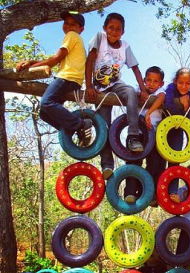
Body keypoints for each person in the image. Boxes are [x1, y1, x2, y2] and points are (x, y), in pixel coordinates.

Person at [85, 12, 147, 179]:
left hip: (116, 85)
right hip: (99, 88)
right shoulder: (99, 38)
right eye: (111, 28)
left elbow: (135, 68)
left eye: (118, 29)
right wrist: (89, 86)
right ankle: (107, 165)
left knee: (131, 93)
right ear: (105, 28)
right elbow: (89, 61)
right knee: (104, 125)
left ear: (123, 32)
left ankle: (133, 136)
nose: (114, 31)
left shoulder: (125, 46)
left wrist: (143, 89)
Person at [16, 11, 92, 146]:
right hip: (72, 80)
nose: (68, 27)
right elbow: (54, 59)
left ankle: (80, 124)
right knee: (44, 114)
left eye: (73, 24)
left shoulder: (72, 36)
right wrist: (32, 62)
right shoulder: (76, 40)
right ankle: (75, 130)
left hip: (68, 78)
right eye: (66, 23)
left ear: (81, 29)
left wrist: (30, 64)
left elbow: (55, 59)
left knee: (46, 103)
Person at [123, 66, 167, 204]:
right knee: (133, 161)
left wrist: (148, 112)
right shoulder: (137, 89)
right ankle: (130, 193)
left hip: (153, 134)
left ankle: (148, 193)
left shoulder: (160, 91)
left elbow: (161, 97)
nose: (151, 84)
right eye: (148, 80)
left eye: (155, 81)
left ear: (161, 84)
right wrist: (140, 94)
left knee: (155, 163)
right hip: (138, 134)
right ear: (143, 81)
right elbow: (131, 96)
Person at [164, 67, 190, 203]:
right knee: (158, 160)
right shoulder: (170, 89)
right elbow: (167, 105)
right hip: (164, 128)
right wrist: (182, 104)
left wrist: (185, 106)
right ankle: (156, 190)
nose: (184, 86)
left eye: (187, 83)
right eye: (180, 82)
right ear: (175, 81)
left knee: (175, 161)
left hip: (178, 131)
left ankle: (172, 191)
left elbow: (188, 117)